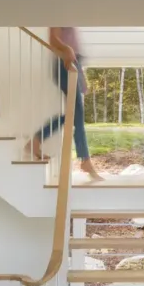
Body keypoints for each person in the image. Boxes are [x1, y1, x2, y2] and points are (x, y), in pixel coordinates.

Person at [29, 26, 102, 181]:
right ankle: (85, 160)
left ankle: (36, 140)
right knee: (77, 115)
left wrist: (81, 76)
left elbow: (74, 50)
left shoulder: (70, 11)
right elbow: (53, 39)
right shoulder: (61, 9)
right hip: (65, 65)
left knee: (73, 115)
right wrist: (67, 48)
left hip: (74, 64)